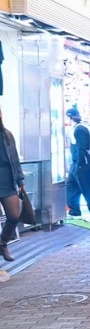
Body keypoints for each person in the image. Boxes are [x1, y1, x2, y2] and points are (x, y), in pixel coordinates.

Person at [66, 108, 90, 224]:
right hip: (77, 163)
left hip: (82, 163)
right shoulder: (77, 128)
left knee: (87, 188)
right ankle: (74, 211)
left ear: (69, 117)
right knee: (71, 185)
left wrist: (80, 163)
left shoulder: (79, 129)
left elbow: (82, 147)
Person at [0, 109, 27, 261]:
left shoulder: (7, 135)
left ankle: (2, 243)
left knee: (14, 216)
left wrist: (20, 182)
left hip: (8, 181)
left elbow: (15, 160)